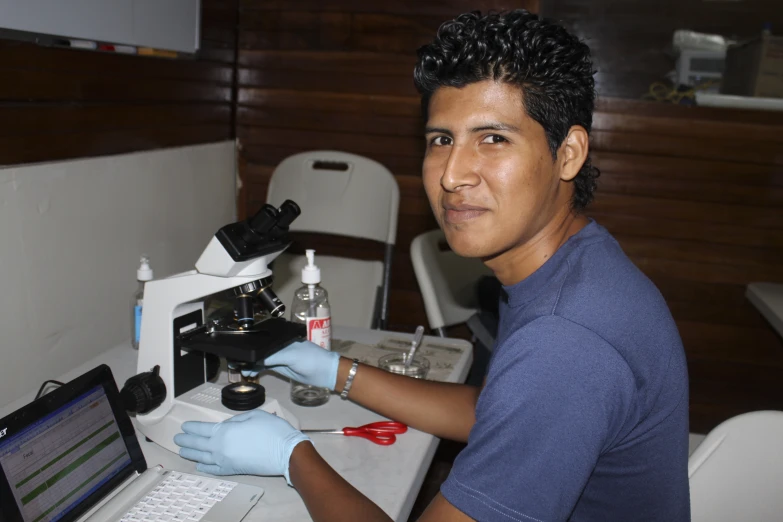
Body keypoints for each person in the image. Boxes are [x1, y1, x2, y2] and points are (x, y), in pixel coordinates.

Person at [174, 9, 690, 521]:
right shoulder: (577, 264)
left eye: (494, 139)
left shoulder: (566, 342)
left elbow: (539, 385)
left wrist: (293, 456)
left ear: (569, 153)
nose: (452, 174)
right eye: (441, 140)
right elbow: (491, 412)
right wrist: (334, 370)